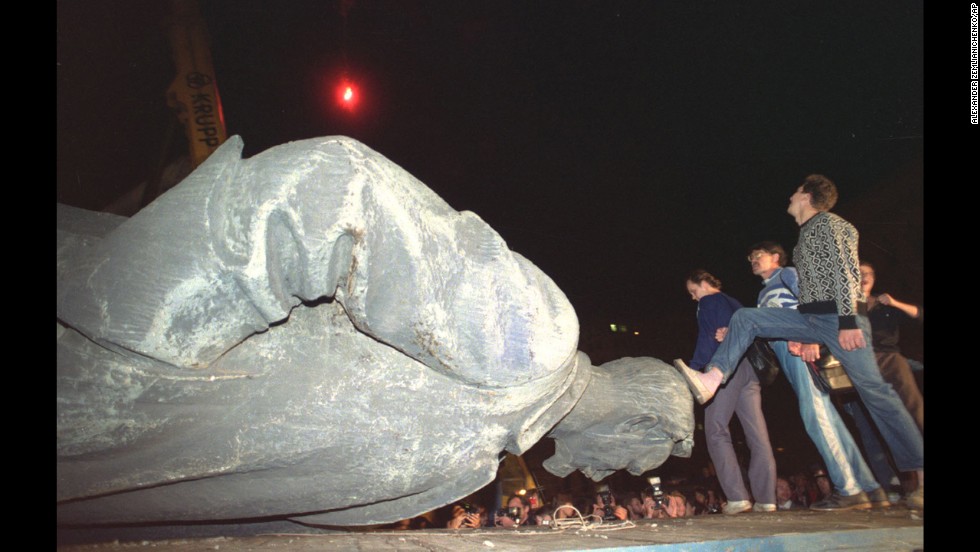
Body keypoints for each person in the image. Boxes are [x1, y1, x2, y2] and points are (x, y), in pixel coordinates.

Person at [673, 174, 924, 510]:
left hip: (840, 319)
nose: (790, 197)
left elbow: (846, 270)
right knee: (746, 318)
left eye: (795, 192)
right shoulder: (804, 236)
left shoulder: (829, 224)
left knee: (876, 393)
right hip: (812, 320)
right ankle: (712, 378)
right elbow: (809, 290)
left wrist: (848, 321)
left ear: (806, 195)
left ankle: (919, 475)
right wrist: (804, 334)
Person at [731, 241, 889, 510]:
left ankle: (848, 489)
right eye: (751, 258)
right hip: (788, 354)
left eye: (759, 255)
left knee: (815, 415)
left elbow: (811, 302)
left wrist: (811, 338)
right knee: (829, 418)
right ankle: (869, 488)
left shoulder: (787, 274)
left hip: (801, 350)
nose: (753, 261)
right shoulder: (763, 294)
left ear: (776, 257)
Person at [681, 269, 777, 514]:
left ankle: (737, 498)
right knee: (757, 435)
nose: (694, 297)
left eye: (693, 291)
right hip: (749, 370)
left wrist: (693, 368)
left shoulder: (708, 301)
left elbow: (707, 338)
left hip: (724, 369)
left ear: (704, 283)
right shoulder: (734, 301)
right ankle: (767, 500)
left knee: (716, 431)